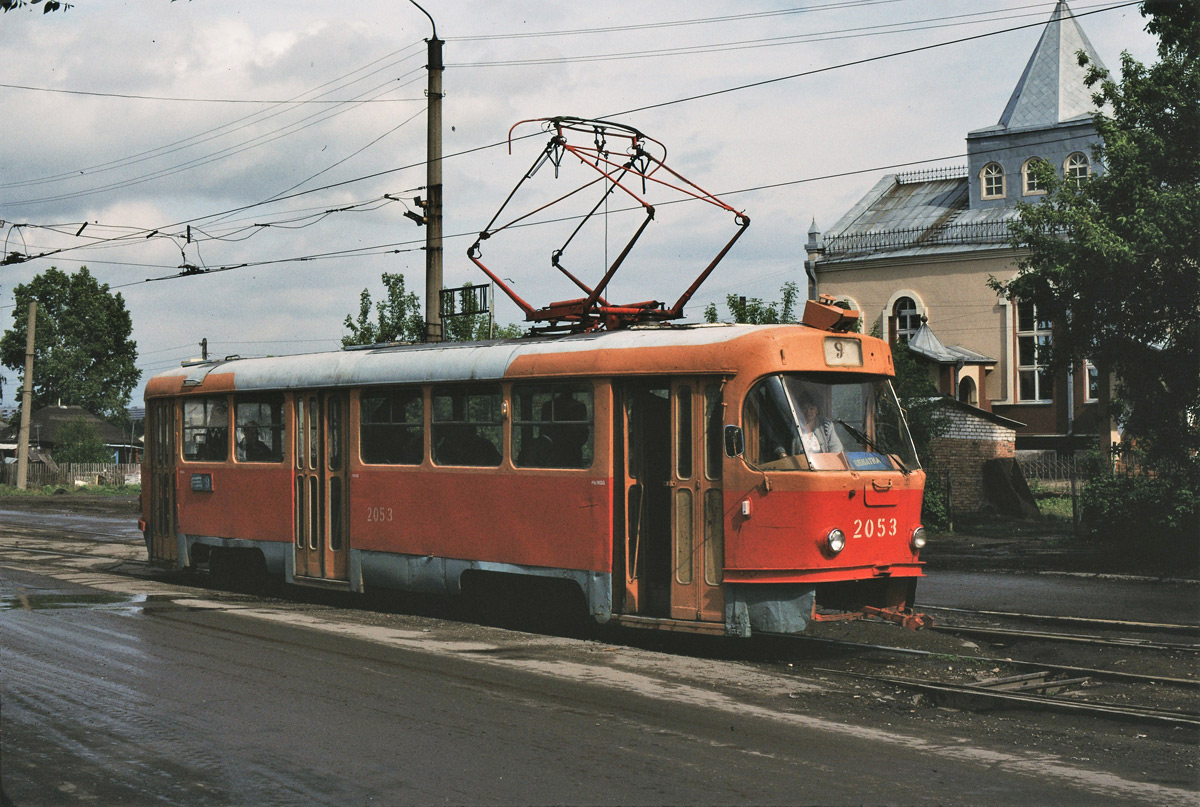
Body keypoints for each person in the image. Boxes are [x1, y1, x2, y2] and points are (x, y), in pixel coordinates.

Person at [773, 392, 842, 459]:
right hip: (798, 465)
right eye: (804, 408)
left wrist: (830, 460)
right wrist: (783, 455)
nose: (808, 412)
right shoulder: (791, 424)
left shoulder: (825, 425)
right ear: (799, 410)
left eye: (811, 408)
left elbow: (836, 447)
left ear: (817, 410)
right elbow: (777, 443)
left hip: (823, 465)